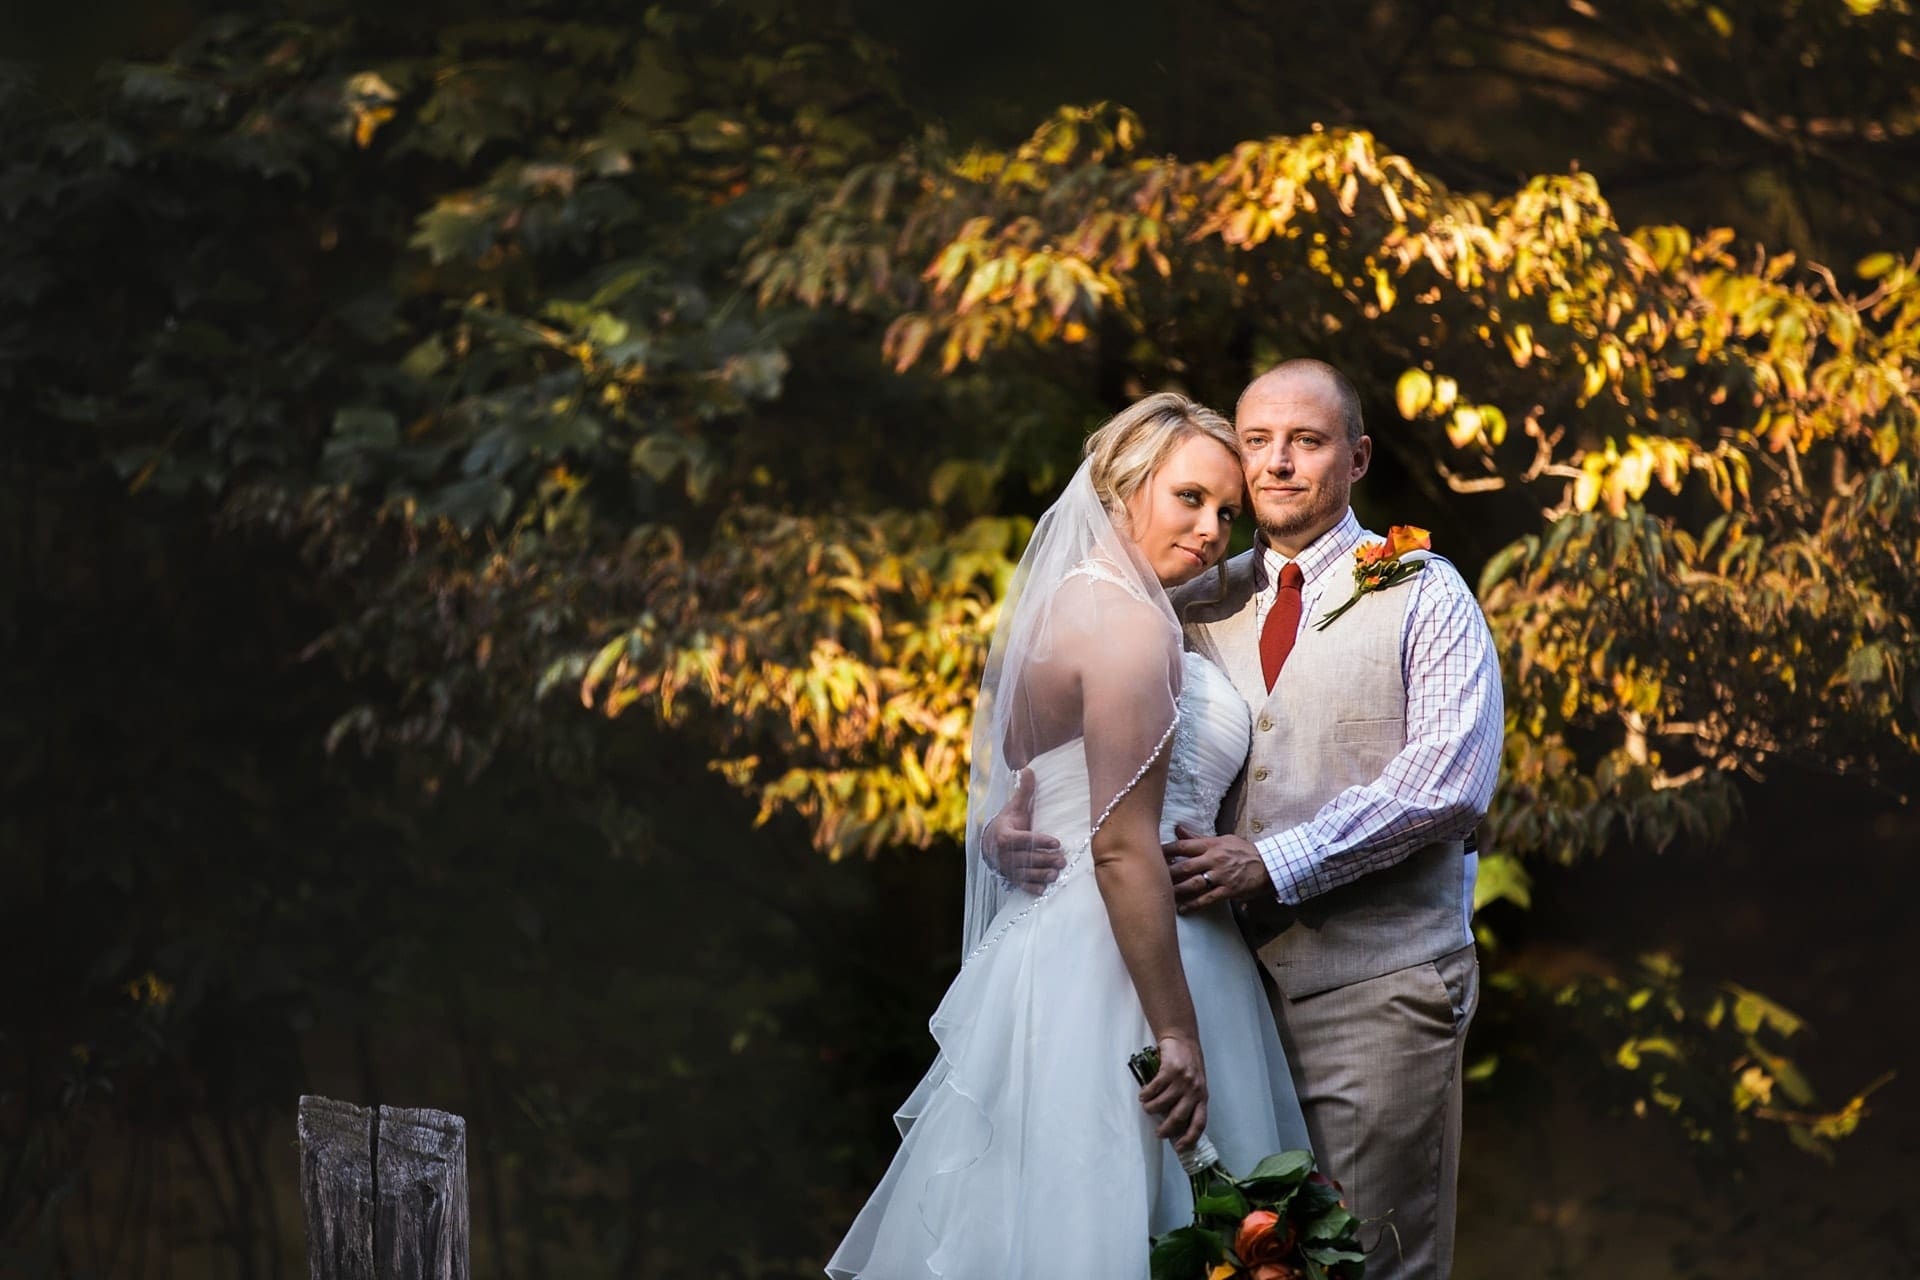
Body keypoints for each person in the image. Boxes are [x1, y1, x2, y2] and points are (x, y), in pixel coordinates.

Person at [998, 359, 1500, 1278]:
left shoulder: (1426, 591)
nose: (1276, 464)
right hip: (1214, 987)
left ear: (1355, 458)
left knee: (1367, 1259)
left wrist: (1273, 861)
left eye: (1305, 442)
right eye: (1257, 442)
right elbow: (1066, 741)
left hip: (1372, 989)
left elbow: (1451, 780)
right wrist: (1016, 824)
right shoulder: (1187, 594)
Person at [827, 393, 1311, 1279]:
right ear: (1123, 488)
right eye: (1189, 499)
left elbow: (1025, 769)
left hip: (1061, 953)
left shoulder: (1074, 606)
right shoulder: (1129, 626)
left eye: (1227, 511)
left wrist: (1004, 823)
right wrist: (1177, 1034)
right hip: (1131, 960)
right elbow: (1121, 847)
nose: (1212, 531)